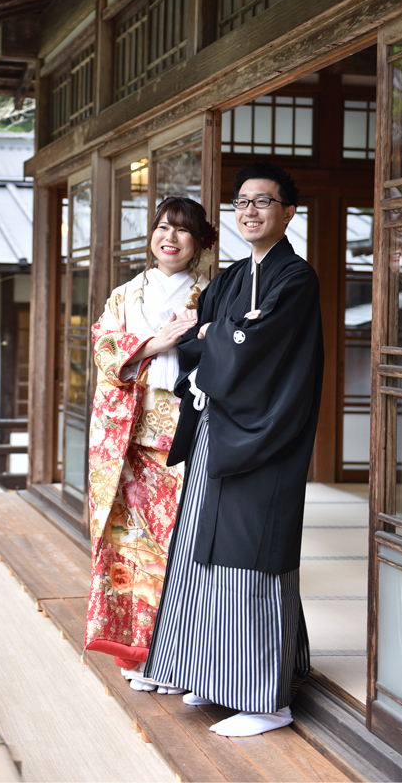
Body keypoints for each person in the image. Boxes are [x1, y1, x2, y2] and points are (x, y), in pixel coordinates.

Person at [144, 161, 324, 735]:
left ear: (288, 212)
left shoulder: (295, 279)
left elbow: (247, 345)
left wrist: (221, 335)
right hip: (217, 433)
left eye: (263, 202)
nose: (249, 211)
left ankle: (270, 701)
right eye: (242, 202)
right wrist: (222, 332)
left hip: (264, 436)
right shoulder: (228, 279)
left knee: (254, 562)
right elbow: (203, 333)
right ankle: (215, 676)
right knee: (205, 563)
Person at [84, 196, 216, 691]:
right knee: (129, 547)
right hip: (128, 440)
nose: (171, 237)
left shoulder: (213, 293)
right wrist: (158, 344)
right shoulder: (126, 294)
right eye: (163, 227)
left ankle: (180, 658)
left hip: (184, 434)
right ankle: (136, 652)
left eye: (183, 230)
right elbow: (104, 351)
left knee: (179, 546)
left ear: (200, 241)